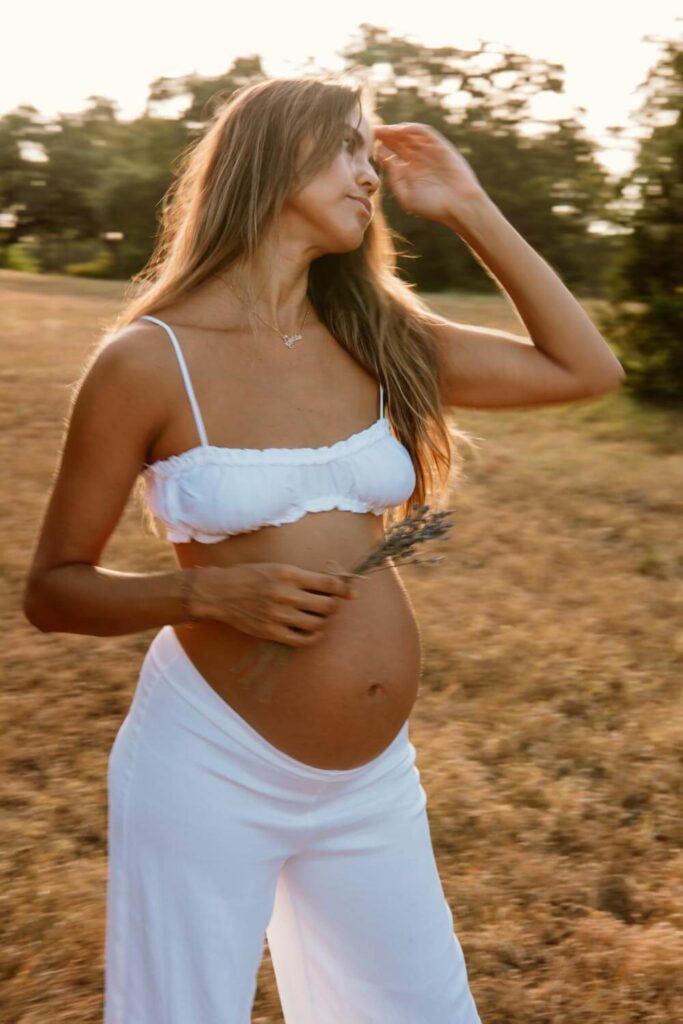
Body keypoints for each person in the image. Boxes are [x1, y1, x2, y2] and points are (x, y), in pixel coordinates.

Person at [23, 74, 624, 1024]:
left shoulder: (374, 333)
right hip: (211, 763)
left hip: (370, 780)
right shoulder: (147, 360)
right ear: (273, 157)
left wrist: (468, 206)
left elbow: (584, 369)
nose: (370, 173)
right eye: (348, 147)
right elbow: (53, 591)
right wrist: (204, 598)